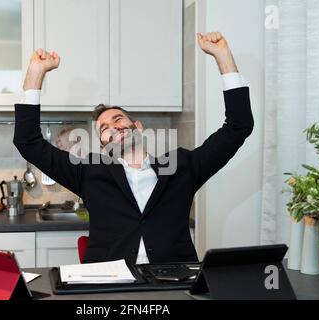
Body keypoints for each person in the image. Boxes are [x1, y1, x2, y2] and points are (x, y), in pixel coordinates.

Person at [13, 32, 254, 264]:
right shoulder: (88, 172)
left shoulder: (181, 167)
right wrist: (36, 73)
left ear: (137, 127)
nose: (113, 127)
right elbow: (28, 141)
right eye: (104, 128)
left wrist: (223, 57)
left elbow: (238, 126)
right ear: (104, 145)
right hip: (110, 284)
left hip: (174, 282)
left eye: (118, 119)